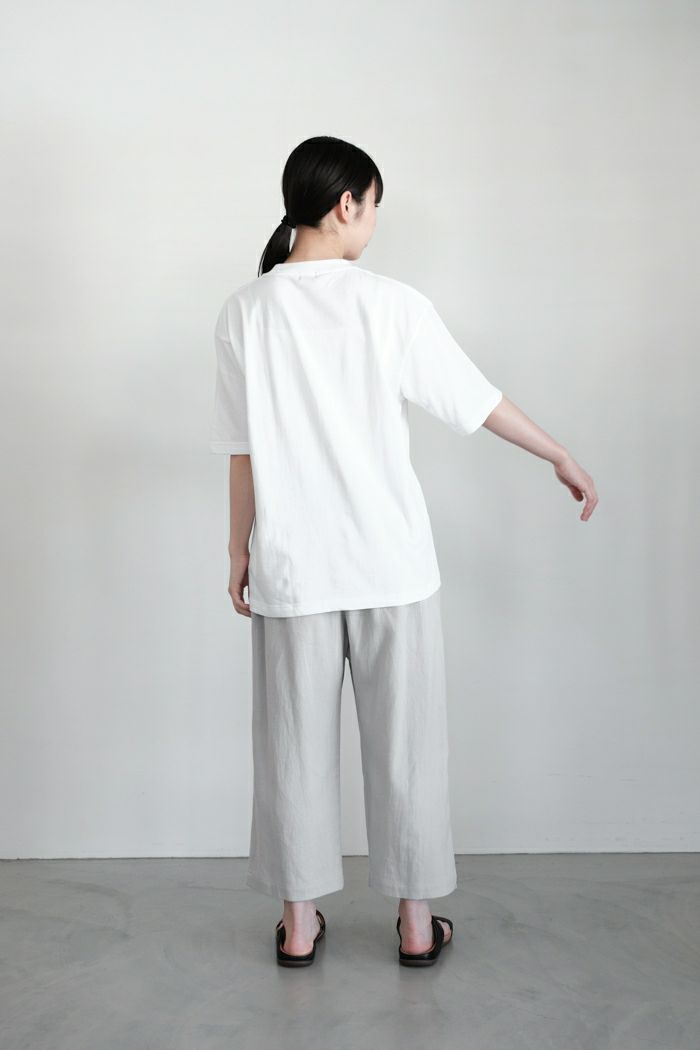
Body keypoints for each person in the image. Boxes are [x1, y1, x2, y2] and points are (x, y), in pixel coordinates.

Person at [209, 135, 598, 968]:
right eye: (374, 205)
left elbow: (243, 451)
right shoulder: (392, 305)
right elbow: (477, 400)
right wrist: (558, 453)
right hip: (391, 565)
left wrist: (238, 549)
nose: (375, 222)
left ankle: (300, 927)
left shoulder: (245, 311)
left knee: (292, 751)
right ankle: (417, 926)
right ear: (345, 202)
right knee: (408, 750)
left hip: (295, 568)